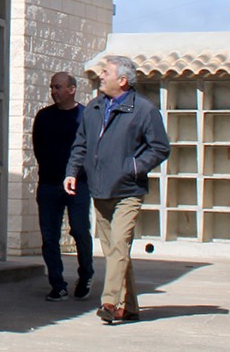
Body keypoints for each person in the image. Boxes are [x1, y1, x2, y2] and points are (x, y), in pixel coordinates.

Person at [64, 55, 169, 324]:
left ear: (122, 80)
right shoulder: (94, 108)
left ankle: (109, 302)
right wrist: (72, 172)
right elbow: (81, 144)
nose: (101, 75)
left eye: (106, 72)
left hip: (128, 190)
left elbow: (160, 147)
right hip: (100, 190)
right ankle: (130, 306)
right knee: (115, 252)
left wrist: (133, 167)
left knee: (119, 246)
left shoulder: (144, 110)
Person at [32, 71, 94, 301]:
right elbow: (39, 148)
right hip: (49, 184)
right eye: (52, 87)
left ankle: (86, 273)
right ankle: (57, 284)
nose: (54, 92)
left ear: (72, 89)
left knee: (79, 231)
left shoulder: (85, 117)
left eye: (58, 87)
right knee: (49, 237)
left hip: (78, 185)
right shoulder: (44, 117)